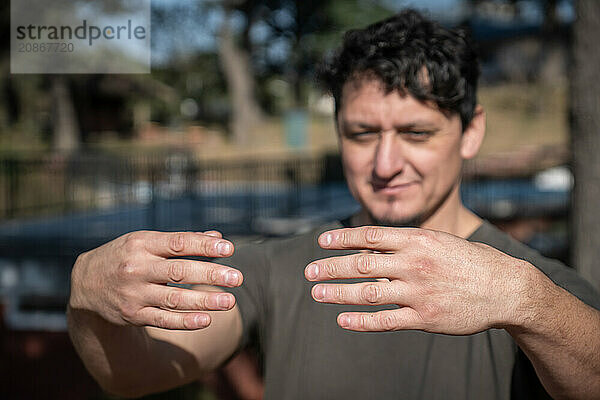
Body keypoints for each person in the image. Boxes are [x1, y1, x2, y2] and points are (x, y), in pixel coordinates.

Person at [67, 9, 600, 399]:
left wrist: (529, 303)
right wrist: (91, 303)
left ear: (470, 131)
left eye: (417, 133)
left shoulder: (535, 287)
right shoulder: (278, 268)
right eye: (362, 133)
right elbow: (133, 374)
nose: (386, 163)